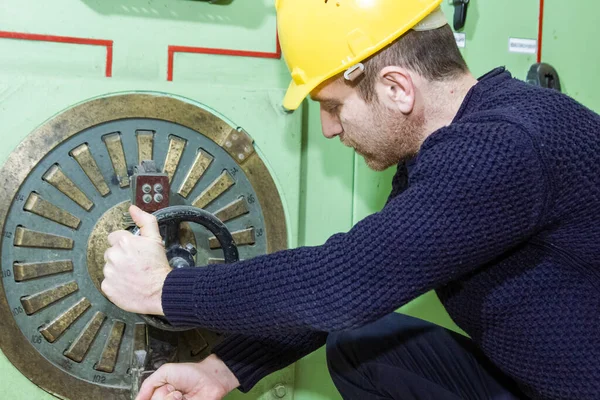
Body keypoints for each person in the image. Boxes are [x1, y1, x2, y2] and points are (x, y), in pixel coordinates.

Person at [101, 1, 600, 399]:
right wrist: (222, 369)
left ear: (396, 88)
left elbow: (343, 282)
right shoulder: (455, 145)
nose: (329, 127)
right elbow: (369, 281)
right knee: (362, 347)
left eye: (334, 105)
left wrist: (163, 289)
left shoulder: (505, 146)